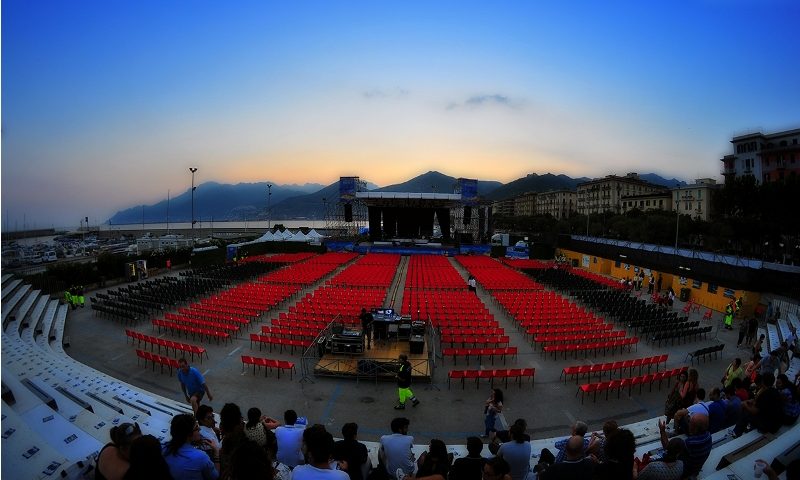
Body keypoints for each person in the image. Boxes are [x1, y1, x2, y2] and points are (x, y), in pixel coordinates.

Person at [162, 413, 219, 480]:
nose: (200, 429)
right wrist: (216, 452)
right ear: (188, 434)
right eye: (196, 428)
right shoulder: (200, 457)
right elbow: (215, 477)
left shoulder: (163, 448)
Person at [658, 414, 711, 479]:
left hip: (683, 472)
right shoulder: (708, 436)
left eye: (690, 422)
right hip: (696, 469)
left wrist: (662, 431)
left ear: (694, 428)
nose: (688, 424)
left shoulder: (690, 443)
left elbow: (667, 448)